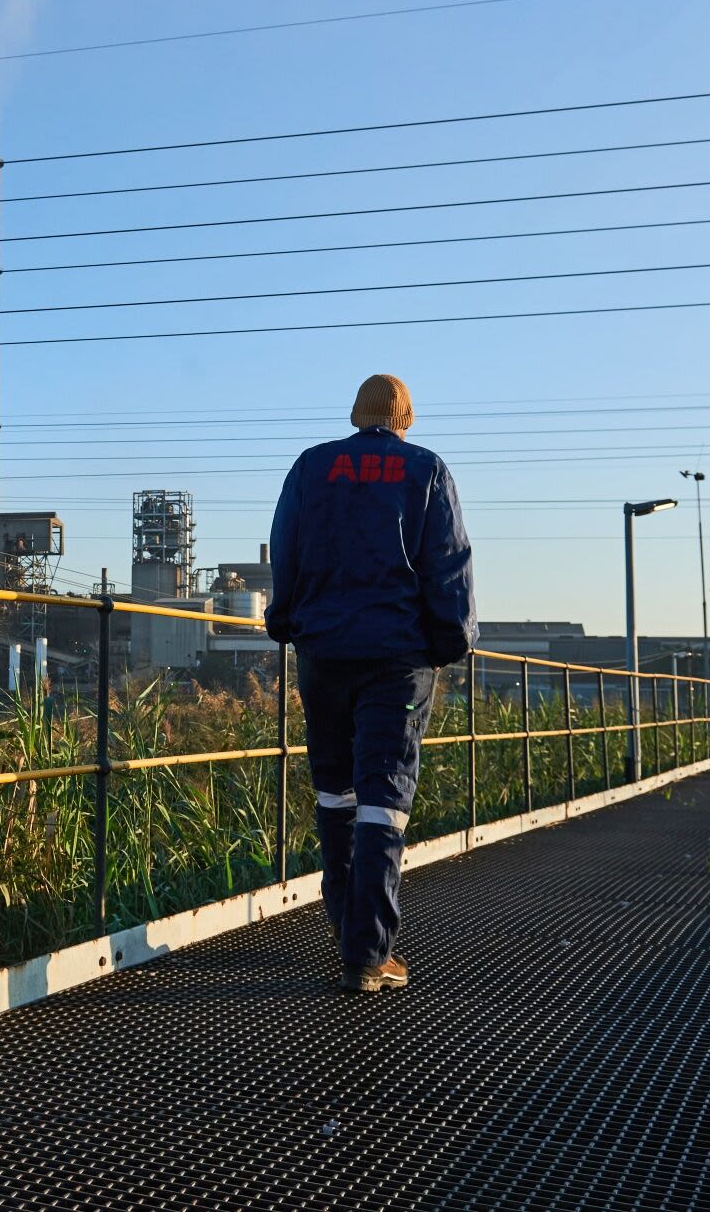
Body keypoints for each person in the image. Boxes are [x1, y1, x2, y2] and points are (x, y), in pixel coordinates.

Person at [266, 374, 475, 992]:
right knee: (384, 794)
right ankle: (368, 951)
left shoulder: (311, 467)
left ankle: (345, 925)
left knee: (336, 792)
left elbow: (287, 548)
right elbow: (449, 564)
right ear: (405, 416)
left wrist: (289, 622)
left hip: (324, 650)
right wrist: (449, 643)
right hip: (396, 657)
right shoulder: (425, 470)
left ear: (356, 413)